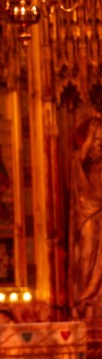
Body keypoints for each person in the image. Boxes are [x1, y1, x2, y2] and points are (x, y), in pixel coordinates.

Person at [71, 117, 102, 317]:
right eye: (98, 142)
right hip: (88, 213)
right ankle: (86, 294)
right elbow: (80, 159)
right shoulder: (80, 163)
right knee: (88, 250)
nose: (100, 147)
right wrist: (91, 137)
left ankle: (97, 294)